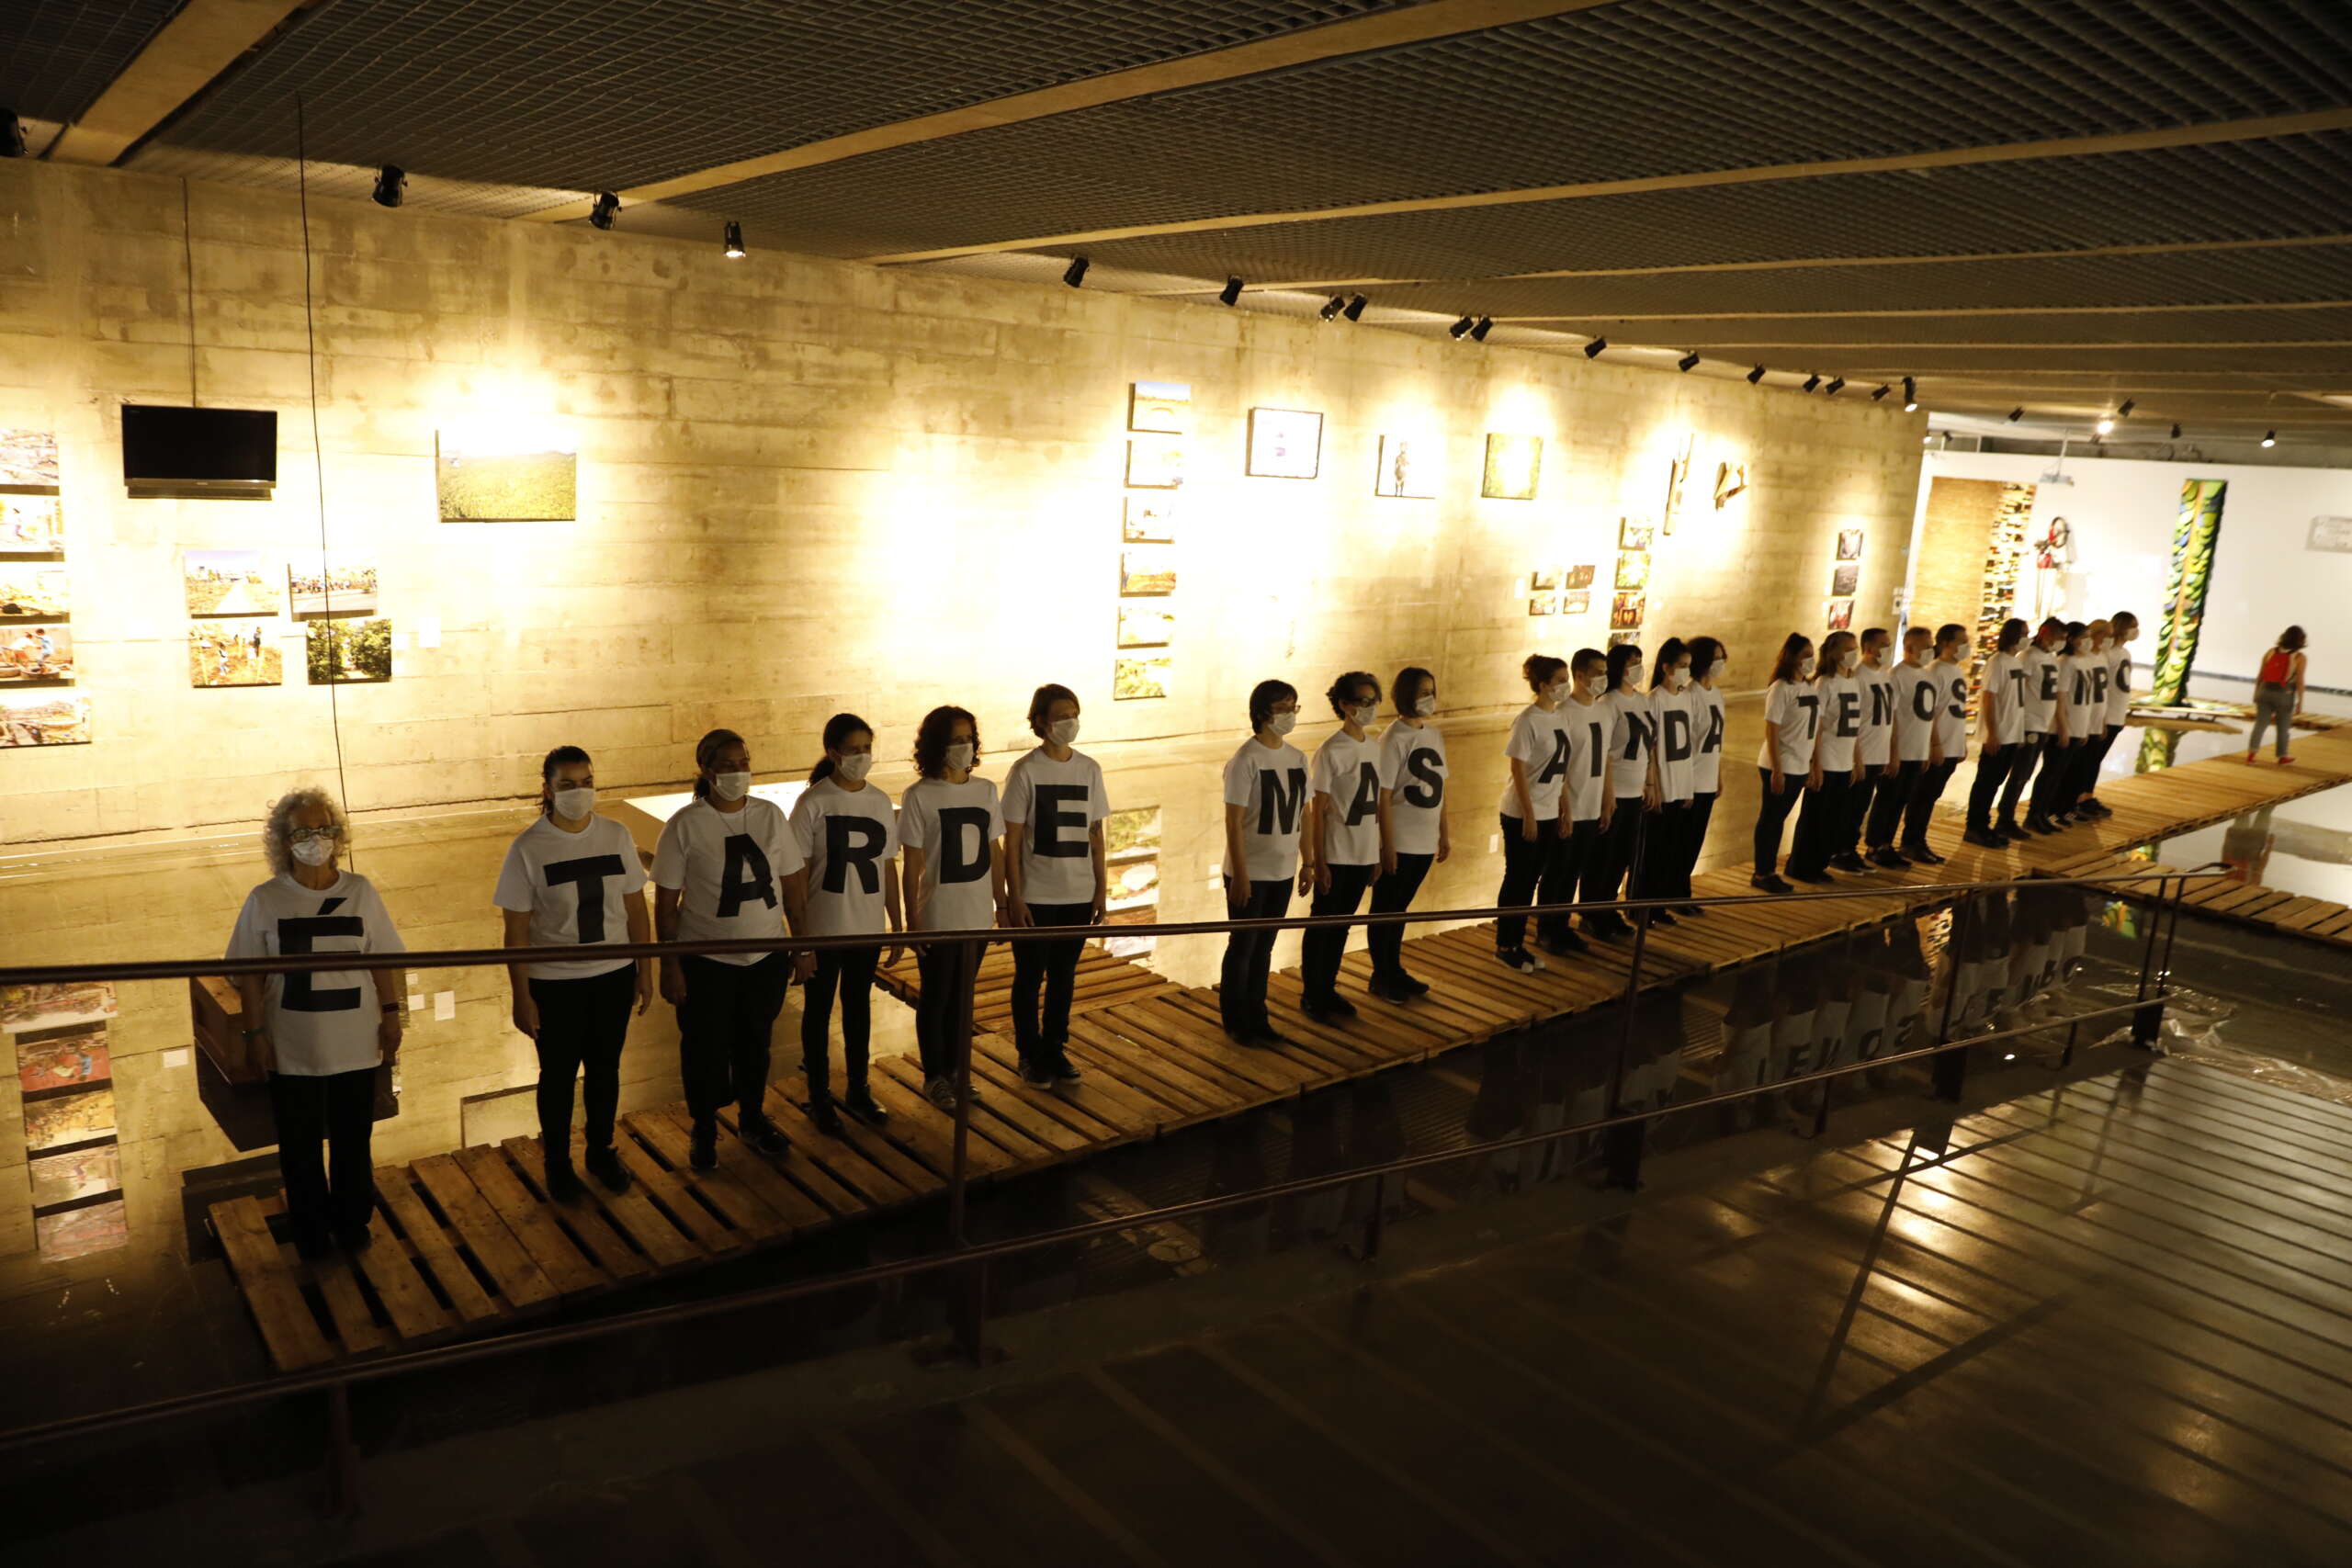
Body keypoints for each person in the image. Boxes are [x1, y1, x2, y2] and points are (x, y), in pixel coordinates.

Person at [227, 788, 405, 1257]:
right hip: (292, 1042)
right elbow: (248, 975)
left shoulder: (361, 891)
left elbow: (381, 959)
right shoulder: (265, 900)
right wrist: (255, 1033)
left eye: (323, 829)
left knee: (353, 1139)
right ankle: (309, 1226)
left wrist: (391, 1016)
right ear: (284, 842)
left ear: (337, 835)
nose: (315, 840)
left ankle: (352, 1220)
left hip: (355, 1039)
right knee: (299, 1145)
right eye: (303, 832)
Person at [495, 747, 657, 1192]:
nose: (579, 792)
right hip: (556, 982)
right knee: (559, 1075)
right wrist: (521, 996)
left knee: (605, 1069)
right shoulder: (529, 848)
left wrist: (644, 971)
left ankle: (602, 1150)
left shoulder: (616, 834)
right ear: (548, 789)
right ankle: (557, 1162)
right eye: (568, 784)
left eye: (586, 781)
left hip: (612, 974)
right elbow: (517, 930)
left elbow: (634, 907)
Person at [653, 729, 817, 1153]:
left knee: (755, 1044)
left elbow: (793, 886)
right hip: (706, 959)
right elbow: (667, 902)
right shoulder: (685, 826)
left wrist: (802, 945)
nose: (739, 772)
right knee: (703, 1049)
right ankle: (704, 1127)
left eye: (743, 763)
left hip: (764, 956)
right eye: (727, 765)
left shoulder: (769, 816)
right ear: (707, 771)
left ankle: (752, 1117)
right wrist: (670, 965)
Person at [792, 714, 904, 1129]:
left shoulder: (878, 801)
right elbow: (798, 875)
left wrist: (896, 922)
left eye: (866, 749)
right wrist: (800, 939)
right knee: (818, 1012)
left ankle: (859, 1088)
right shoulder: (813, 803)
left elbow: (887, 867)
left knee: (859, 1009)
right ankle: (818, 1095)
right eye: (853, 749)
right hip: (825, 927)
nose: (861, 757)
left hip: (866, 926)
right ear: (833, 752)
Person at [900, 705, 1006, 1110]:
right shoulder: (919, 796)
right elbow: (911, 864)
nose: (964, 747)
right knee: (937, 996)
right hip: (939, 913)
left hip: (977, 912)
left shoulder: (985, 790)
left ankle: (959, 1072)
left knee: (964, 999)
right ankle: (935, 1076)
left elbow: (994, 851)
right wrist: (912, 920)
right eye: (956, 740)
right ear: (936, 746)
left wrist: (1004, 902)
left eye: (969, 739)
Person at [1001, 684, 1107, 1087]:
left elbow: (1096, 833)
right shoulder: (1026, 771)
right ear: (1041, 722)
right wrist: (1016, 897)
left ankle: (1055, 1047)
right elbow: (1011, 841)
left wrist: (1100, 888)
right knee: (1030, 976)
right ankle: (1030, 1054)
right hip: (1038, 895)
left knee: (1065, 976)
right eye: (1061, 715)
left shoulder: (1089, 769)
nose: (1070, 722)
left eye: (1074, 713)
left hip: (1078, 893)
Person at [1222, 680, 1308, 1043]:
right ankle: (1235, 1019)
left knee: (1265, 946)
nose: (1290, 714)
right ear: (1262, 713)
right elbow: (1233, 820)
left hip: (1282, 869)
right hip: (1251, 870)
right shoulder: (1246, 760)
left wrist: (1310, 862)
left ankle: (1258, 1014)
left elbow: (1304, 814)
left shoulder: (1298, 758)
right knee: (1244, 945)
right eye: (1283, 708)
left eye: (1294, 707)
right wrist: (1240, 875)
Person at [1299, 672, 1385, 1022]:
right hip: (1337, 852)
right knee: (1324, 922)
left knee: (1343, 924)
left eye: (1373, 700)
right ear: (1345, 706)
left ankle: (1328, 988)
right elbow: (1317, 809)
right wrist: (1318, 860)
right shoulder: (1331, 750)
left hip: (1363, 850)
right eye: (1362, 701)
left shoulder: (1374, 746)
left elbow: (1377, 804)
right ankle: (1312, 993)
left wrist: (1377, 851)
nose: (1369, 708)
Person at [1369, 666, 1449, 1003]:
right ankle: (1382, 974)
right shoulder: (1392, 738)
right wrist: (1386, 844)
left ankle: (1394, 968)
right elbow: (1383, 795)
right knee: (1386, 908)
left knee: (1400, 909)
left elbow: (1442, 787)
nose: (1427, 698)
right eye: (1420, 692)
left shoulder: (1433, 735)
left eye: (1431, 690)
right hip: (1400, 838)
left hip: (1424, 838)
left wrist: (1444, 833)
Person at [1495, 654, 1575, 974]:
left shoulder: (1559, 717)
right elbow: (1518, 767)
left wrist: (1564, 807)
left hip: (1549, 809)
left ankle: (1518, 943)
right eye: (1560, 680)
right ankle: (1505, 944)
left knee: (1533, 878)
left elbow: (1561, 770)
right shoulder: (1528, 720)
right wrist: (1528, 814)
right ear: (1543, 685)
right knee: (1518, 878)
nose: (1565, 686)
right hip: (1522, 812)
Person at [1585, 643, 1659, 931]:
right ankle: (1592, 912)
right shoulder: (1609, 703)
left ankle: (1608, 907)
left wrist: (1650, 782)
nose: (1638, 667)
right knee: (1602, 856)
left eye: (1640, 661)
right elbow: (1602, 752)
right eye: (1632, 662)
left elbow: (1649, 746)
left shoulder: (1641, 701)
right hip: (1614, 789)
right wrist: (1607, 794)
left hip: (1635, 790)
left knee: (1622, 856)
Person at [1786, 630, 1860, 884]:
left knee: (1833, 818)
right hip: (1827, 757)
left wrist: (1854, 760)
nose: (1853, 653)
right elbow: (1816, 726)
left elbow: (1854, 726)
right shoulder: (1825, 684)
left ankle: (1819, 863)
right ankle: (1800, 865)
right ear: (1835, 652)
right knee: (1815, 816)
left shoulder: (1852, 681)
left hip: (1843, 759)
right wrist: (1815, 763)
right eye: (1849, 648)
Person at [1753, 633, 1819, 893]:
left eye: (1812, 655)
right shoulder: (1780, 688)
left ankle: (1769, 870)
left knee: (1778, 818)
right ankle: (1763, 871)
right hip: (1779, 764)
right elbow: (1772, 729)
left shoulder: (1808, 687)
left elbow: (1812, 728)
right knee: (1771, 818)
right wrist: (1777, 769)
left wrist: (1813, 764)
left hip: (1801, 763)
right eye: (1805, 656)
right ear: (1792, 658)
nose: (1810, 660)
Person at [1636, 639, 1698, 919]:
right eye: (1682, 666)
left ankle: (1658, 904)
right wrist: (1655, 786)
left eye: (1689, 666)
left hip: (1680, 782)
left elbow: (1689, 746)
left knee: (1669, 849)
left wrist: (1688, 786)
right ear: (1666, 667)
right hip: (1662, 784)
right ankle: (1639, 906)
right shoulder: (1654, 700)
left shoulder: (1686, 697)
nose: (1687, 671)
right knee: (1650, 852)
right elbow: (1650, 747)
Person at [1899, 624, 1970, 862]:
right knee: (1923, 795)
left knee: (1932, 796)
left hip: (1952, 742)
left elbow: (1956, 711)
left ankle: (1920, 839)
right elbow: (1932, 712)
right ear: (1947, 643)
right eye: (1962, 640)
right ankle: (1911, 841)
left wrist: (1960, 743)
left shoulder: (1956, 671)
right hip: (1937, 744)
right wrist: (1935, 744)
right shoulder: (1935, 671)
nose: (1966, 644)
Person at [1964, 619, 2031, 848]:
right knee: (1986, 782)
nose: (2027, 637)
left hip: (2012, 733)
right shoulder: (1997, 662)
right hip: (1999, 733)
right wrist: (1992, 733)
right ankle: (1975, 826)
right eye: (2024, 633)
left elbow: (2017, 701)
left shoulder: (2015, 662)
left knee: (1996, 781)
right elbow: (1989, 697)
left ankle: (1986, 825)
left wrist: (2018, 731)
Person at [1678, 637, 1728, 915]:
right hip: (1692, 778)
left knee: (1695, 839)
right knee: (1682, 841)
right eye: (1715, 657)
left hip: (1708, 778)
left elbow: (1716, 740)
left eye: (1722, 656)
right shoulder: (1690, 694)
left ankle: (1683, 891)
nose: (1720, 662)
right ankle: (1675, 892)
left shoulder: (1716, 694)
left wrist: (1718, 775)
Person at [1843, 627, 1897, 869]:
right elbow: (1853, 720)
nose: (1888, 648)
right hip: (1862, 751)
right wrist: (1856, 757)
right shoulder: (1857, 676)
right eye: (1883, 644)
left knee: (1864, 805)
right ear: (1869, 648)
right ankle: (1843, 850)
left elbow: (1890, 717)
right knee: (1852, 806)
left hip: (1879, 751)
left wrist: (1891, 752)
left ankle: (1859, 847)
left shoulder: (1885, 675)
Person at [2076, 611, 2138, 817]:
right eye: (2132, 626)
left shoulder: (2124, 654)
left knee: (2096, 759)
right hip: (2105, 713)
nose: (2135, 631)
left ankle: (2087, 794)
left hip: (2117, 713)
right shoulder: (2107, 654)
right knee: (2090, 758)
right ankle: (2080, 797)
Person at [2011, 617, 2066, 837]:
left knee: (2028, 773)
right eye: (2058, 638)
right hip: (2029, 722)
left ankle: (2036, 815)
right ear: (2044, 633)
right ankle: (2007, 817)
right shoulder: (2028, 657)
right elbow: (2020, 690)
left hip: (2044, 723)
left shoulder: (2051, 657)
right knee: (2019, 775)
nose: (2060, 643)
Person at [2042, 621, 2097, 827]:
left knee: (2072, 772)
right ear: (2072, 640)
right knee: (2054, 772)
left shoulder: (2085, 661)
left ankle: (2065, 808)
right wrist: (2063, 727)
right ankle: (2047, 811)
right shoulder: (2064, 662)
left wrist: (2085, 728)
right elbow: (2061, 697)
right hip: (2065, 726)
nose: (2088, 642)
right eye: (2084, 637)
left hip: (2080, 724)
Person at [2248, 626, 2307, 765]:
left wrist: (2256, 693)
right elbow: (2299, 681)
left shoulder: (2270, 652)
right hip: (2284, 694)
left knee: (2260, 725)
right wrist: (2300, 702)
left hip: (2264, 692)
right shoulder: (2299, 657)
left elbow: (2260, 676)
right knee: (2283, 727)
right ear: (2300, 640)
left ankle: (2251, 755)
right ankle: (2282, 756)